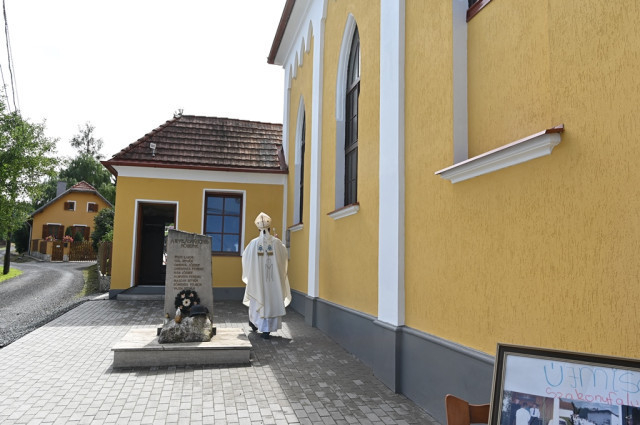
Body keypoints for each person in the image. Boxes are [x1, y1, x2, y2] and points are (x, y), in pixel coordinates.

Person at [242, 212, 291, 339]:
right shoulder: (277, 243)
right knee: (271, 301)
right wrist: (279, 244)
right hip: (273, 282)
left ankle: (255, 323)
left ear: (259, 229)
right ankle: (266, 330)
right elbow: (284, 257)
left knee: (258, 300)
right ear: (269, 228)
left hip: (258, 281)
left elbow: (246, 259)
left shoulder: (253, 243)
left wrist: (252, 273)